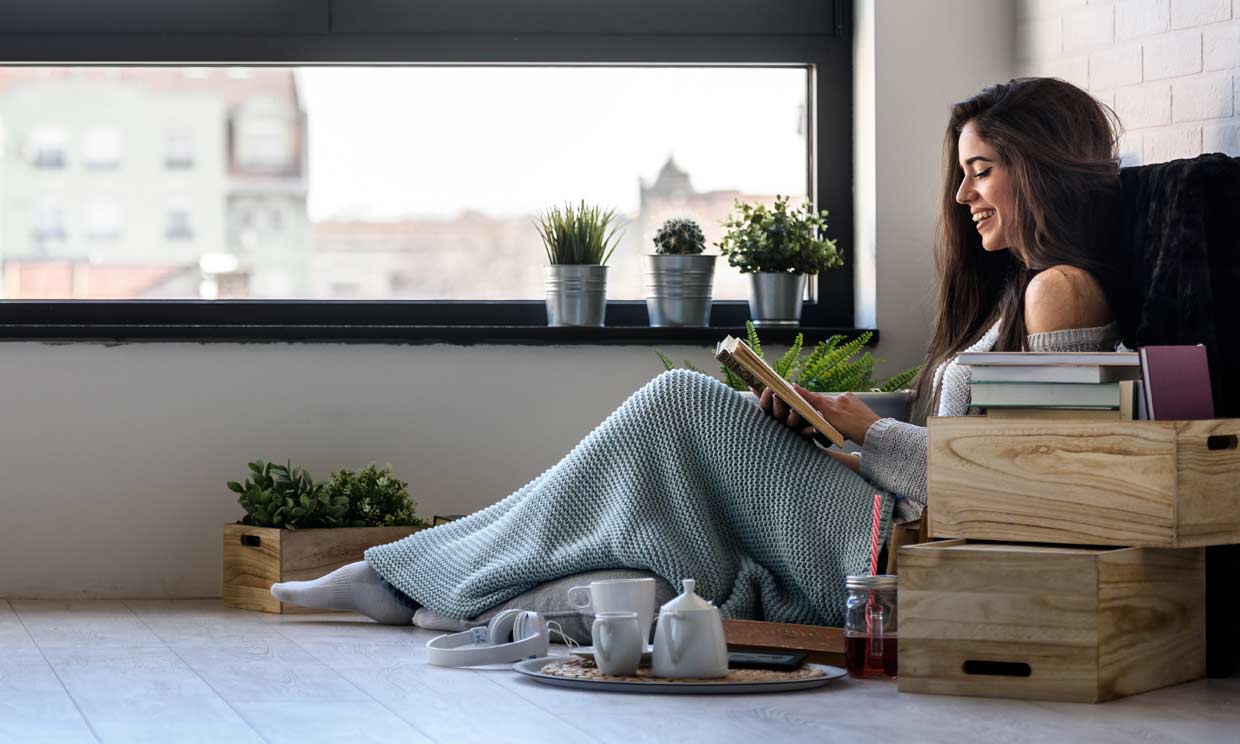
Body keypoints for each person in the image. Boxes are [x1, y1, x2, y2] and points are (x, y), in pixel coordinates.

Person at [271, 77, 1123, 631]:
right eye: (963, 173)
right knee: (671, 448)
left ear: (1037, 166)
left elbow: (1034, 487)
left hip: (896, 549)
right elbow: (963, 434)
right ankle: (420, 575)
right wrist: (843, 419)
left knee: (675, 406)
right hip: (879, 516)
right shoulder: (1013, 291)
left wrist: (869, 432)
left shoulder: (1060, 291)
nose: (963, 194)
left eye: (982, 171)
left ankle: (407, 574)